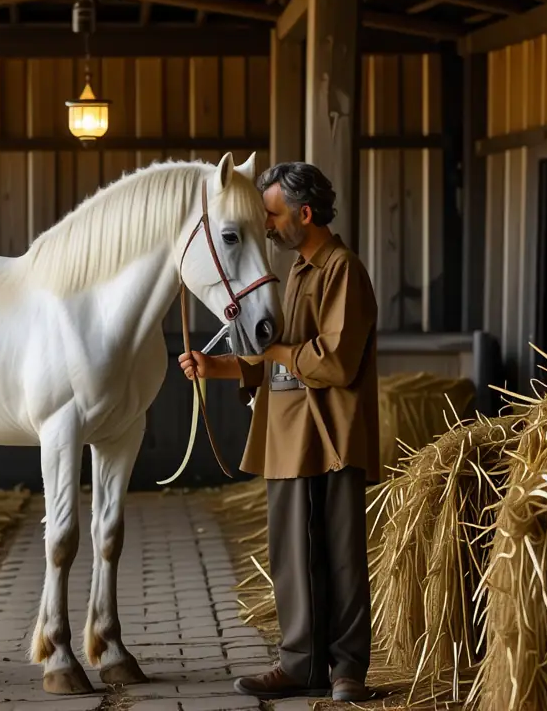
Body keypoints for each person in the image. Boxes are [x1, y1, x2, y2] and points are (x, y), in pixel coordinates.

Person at [179, 161, 378, 702]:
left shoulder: (343, 270)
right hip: (288, 436)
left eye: (272, 213)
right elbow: (278, 362)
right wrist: (216, 368)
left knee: (340, 552)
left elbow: (335, 362)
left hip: (333, 435)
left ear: (304, 213)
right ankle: (300, 664)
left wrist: (275, 352)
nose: (266, 224)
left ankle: (346, 670)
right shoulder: (292, 274)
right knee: (291, 555)